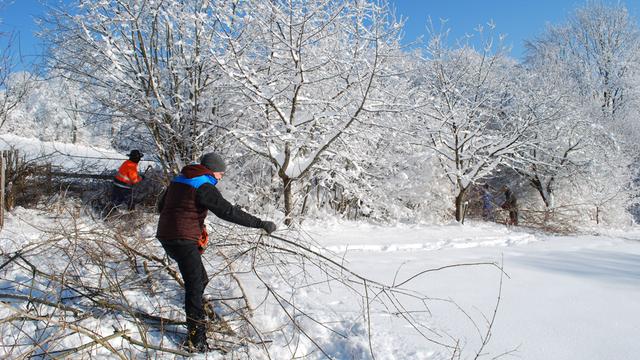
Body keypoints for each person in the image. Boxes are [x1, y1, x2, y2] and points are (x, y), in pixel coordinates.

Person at [156, 152, 277, 353]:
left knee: (200, 279)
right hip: (182, 239)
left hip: (167, 236)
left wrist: (191, 223)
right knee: (194, 286)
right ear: (213, 170)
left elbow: (162, 205)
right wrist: (259, 223)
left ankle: (198, 315)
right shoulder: (204, 185)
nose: (221, 177)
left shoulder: (181, 178)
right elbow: (227, 211)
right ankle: (196, 340)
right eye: (221, 173)